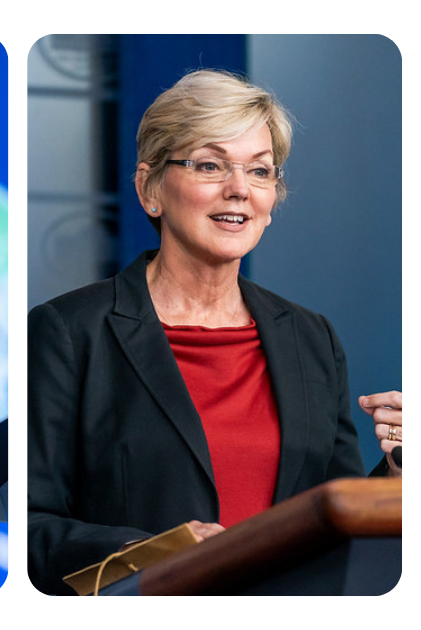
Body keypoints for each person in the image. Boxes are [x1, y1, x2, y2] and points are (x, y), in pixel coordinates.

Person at [27, 69, 392, 595]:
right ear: (150, 188)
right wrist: (157, 554)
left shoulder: (312, 337)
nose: (239, 189)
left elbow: (336, 513)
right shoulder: (69, 331)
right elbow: (34, 525)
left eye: (261, 171)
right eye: (210, 165)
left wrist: (399, 468)